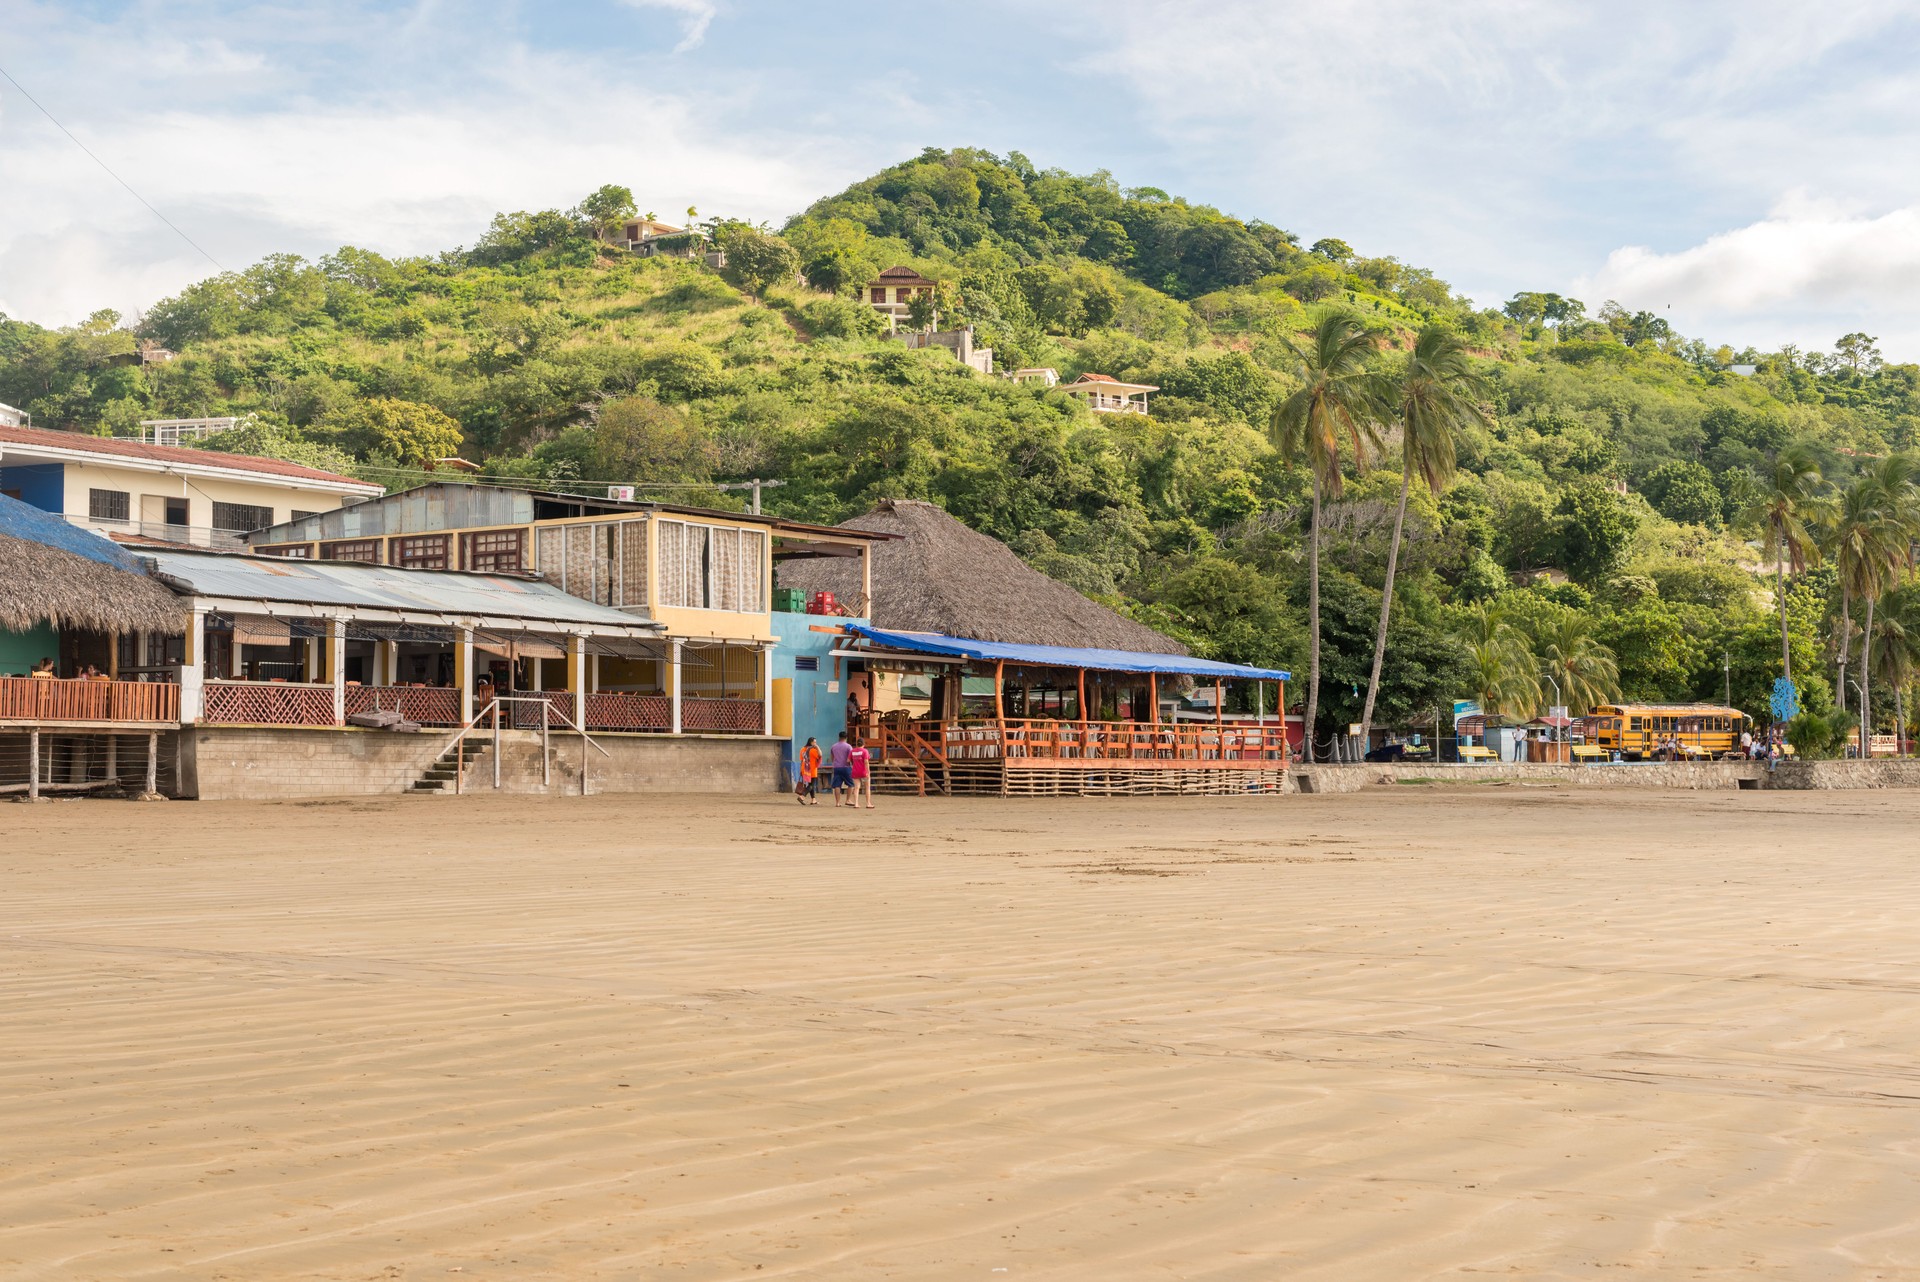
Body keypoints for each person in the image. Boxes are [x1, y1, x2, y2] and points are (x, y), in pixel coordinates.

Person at [828, 731, 854, 807]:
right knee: (851, 784)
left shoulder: (833, 746)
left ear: (839, 737)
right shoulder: (848, 746)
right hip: (846, 767)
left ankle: (837, 803)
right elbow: (850, 758)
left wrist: (835, 763)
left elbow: (832, 758)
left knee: (837, 785)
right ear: (846, 738)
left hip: (836, 767)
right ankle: (848, 800)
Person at [848, 735, 873, 810]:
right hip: (863, 772)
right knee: (867, 788)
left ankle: (856, 803)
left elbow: (848, 761)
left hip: (855, 771)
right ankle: (868, 803)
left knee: (856, 788)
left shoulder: (852, 751)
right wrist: (868, 772)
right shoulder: (865, 751)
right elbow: (866, 762)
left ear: (857, 744)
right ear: (863, 744)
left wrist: (853, 763)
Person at [795, 736, 822, 806]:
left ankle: (813, 799)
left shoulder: (803, 749)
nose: (815, 743)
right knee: (811, 785)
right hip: (812, 769)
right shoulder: (813, 750)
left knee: (810, 784)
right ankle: (802, 796)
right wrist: (817, 747)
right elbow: (820, 755)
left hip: (804, 769)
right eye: (814, 742)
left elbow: (801, 759)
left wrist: (801, 770)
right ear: (811, 742)